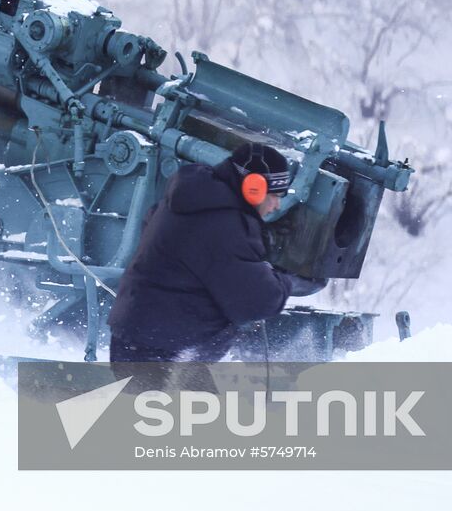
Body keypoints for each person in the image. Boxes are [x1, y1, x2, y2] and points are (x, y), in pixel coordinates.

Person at [107, 143, 324, 363]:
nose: (277, 205)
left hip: (141, 336)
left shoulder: (195, 197)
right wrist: (287, 281)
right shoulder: (224, 223)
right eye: (275, 195)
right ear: (253, 188)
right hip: (162, 348)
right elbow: (256, 301)